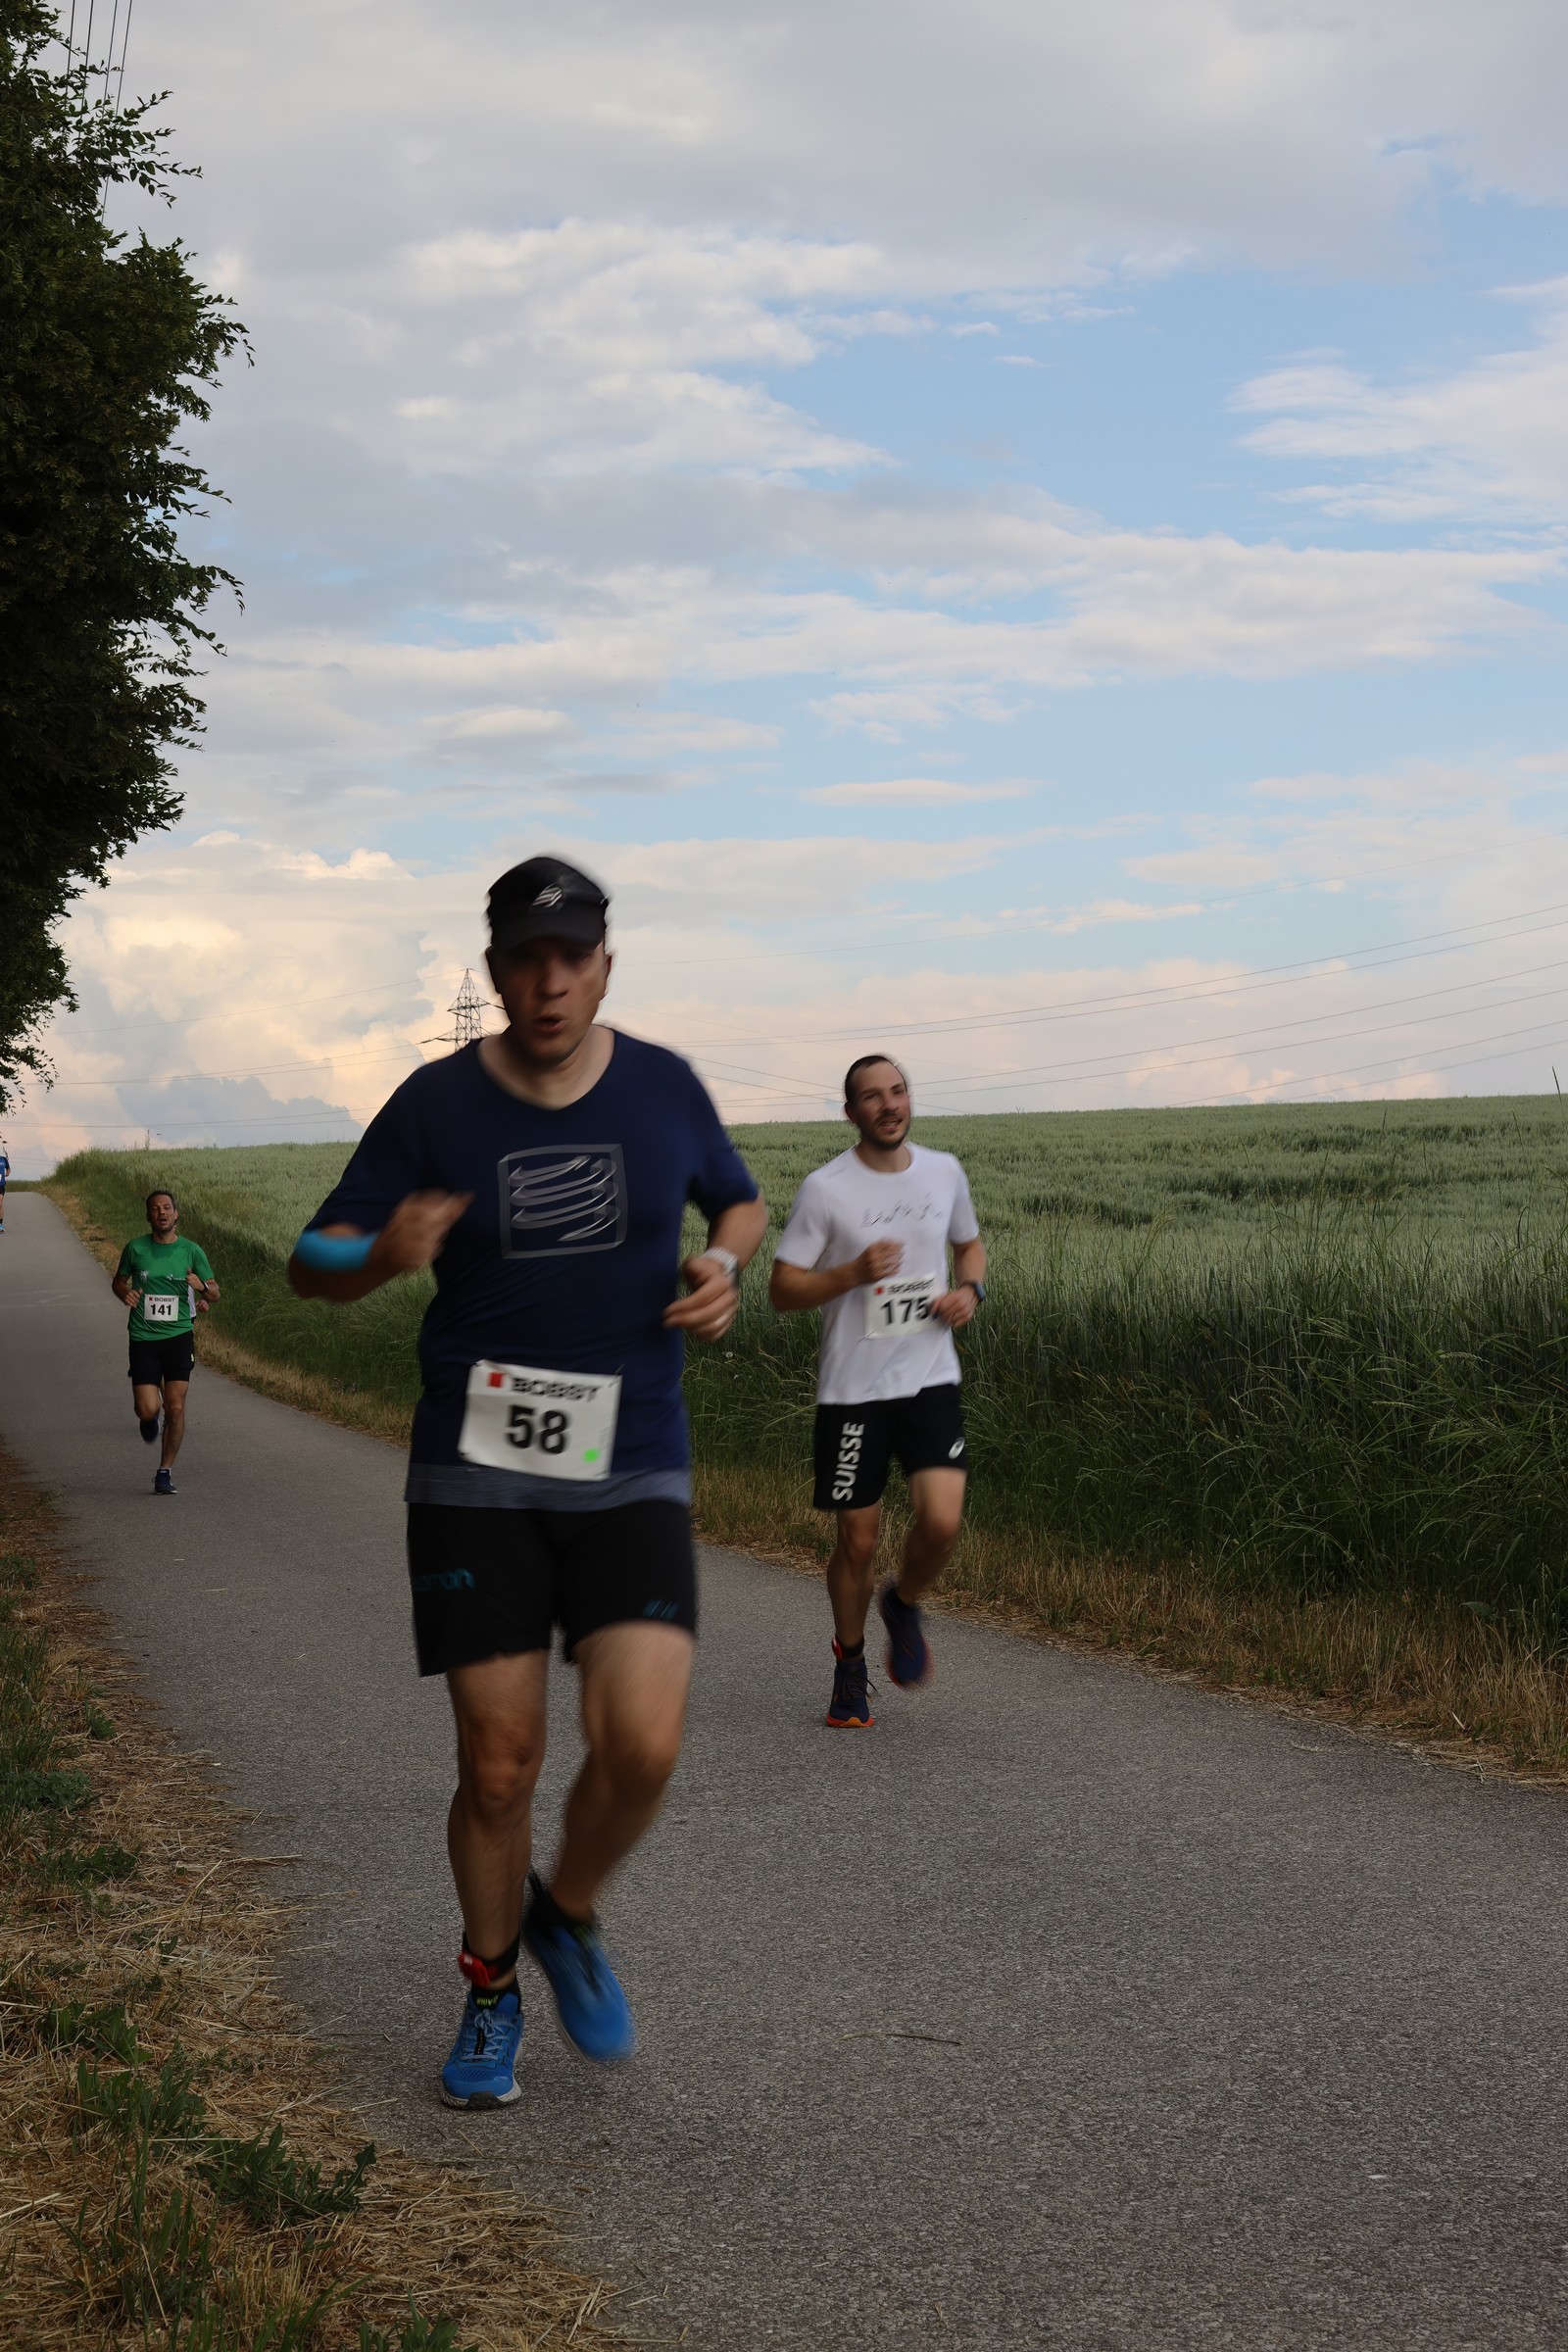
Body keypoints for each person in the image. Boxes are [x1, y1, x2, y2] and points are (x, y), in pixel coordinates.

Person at [288, 856, 767, 2111]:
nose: (549, 983)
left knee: (642, 1745)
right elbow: (310, 1257)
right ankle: (491, 1985)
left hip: (631, 1457)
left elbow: (739, 1201)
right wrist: (379, 1255)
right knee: (499, 1765)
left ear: (605, 968)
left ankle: (569, 1912)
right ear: (495, 971)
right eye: (525, 960)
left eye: (572, 959)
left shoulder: (663, 1086)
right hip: (476, 1470)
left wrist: (721, 1267)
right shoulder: (434, 1104)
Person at [769, 1054, 987, 1729]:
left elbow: (970, 1247)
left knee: (942, 1523)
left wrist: (970, 1291)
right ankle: (850, 1661)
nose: (889, 1105)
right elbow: (782, 1290)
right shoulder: (825, 1189)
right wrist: (851, 1273)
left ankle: (904, 1601)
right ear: (850, 1113)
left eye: (898, 1091)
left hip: (929, 1376)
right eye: (872, 1096)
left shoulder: (944, 1171)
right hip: (853, 1391)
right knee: (858, 1542)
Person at [112, 1189, 220, 1496]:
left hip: (179, 1337)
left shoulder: (191, 1250)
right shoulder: (135, 1248)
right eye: (156, 1209)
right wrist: (125, 1294)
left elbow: (215, 1293)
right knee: (147, 1408)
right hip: (143, 1338)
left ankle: (164, 1471)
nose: (162, 1213)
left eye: (167, 1208)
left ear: (176, 1214)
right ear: (148, 1216)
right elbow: (118, 1282)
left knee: (176, 1406)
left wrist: (201, 1286)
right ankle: (149, 1417)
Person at [0, 1138, 9, 1231]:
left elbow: (8, 1169)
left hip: (1, 1185)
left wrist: (7, 1174)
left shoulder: (3, 1159)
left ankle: (0, 1225)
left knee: (0, 1203)